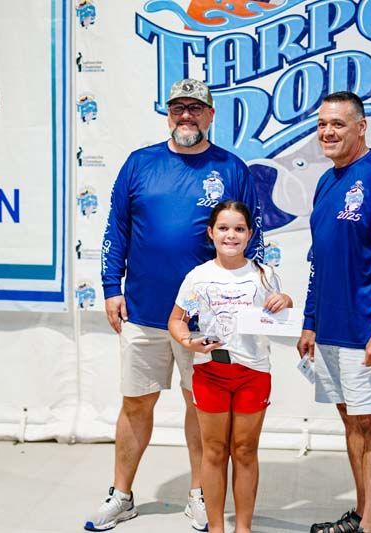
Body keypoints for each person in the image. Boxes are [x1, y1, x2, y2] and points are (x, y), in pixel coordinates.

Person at [85, 79, 263, 532]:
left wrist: (246, 298)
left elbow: (250, 238)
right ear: (168, 113)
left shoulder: (232, 168)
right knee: (135, 403)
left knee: (199, 406)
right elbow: (116, 229)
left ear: (210, 115)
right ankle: (121, 495)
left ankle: (200, 495)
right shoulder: (140, 164)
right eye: (178, 108)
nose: (187, 116)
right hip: (143, 310)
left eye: (196, 108)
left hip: (205, 320)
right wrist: (110, 285)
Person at [297, 91, 371, 533]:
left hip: (366, 326)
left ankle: (370, 528)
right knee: (350, 419)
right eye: (322, 123)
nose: (327, 132)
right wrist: (309, 319)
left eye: (338, 124)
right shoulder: (327, 181)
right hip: (329, 326)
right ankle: (367, 515)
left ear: (361, 127)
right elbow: (318, 257)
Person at [168, 200, 292, 533]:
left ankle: (243, 528)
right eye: (223, 228)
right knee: (214, 450)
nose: (231, 235)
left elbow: (279, 312)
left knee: (245, 450)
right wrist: (189, 341)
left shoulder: (263, 275)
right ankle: (216, 527)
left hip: (253, 375)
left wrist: (287, 300)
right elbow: (177, 320)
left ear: (250, 235)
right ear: (211, 233)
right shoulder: (199, 278)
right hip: (210, 374)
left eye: (239, 228)